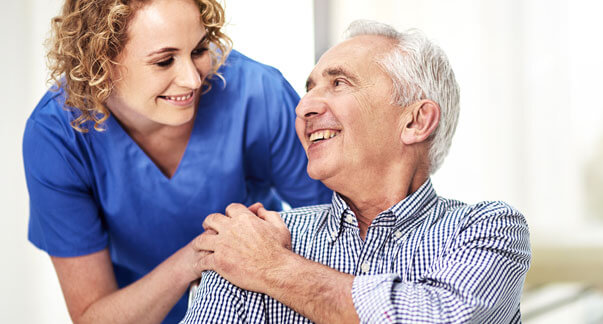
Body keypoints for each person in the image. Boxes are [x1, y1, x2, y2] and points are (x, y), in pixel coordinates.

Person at [183, 20, 531, 323]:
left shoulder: (488, 231)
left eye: (339, 83)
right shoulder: (254, 236)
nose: (303, 106)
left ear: (415, 121)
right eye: (309, 89)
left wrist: (273, 268)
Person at [22, 0, 331, 323]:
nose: (193, 80)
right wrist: (195, 259)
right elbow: (92, 315)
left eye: (199, 50)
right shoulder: (57, 137)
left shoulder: (257, 94)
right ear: (100, 61)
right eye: (165, 61)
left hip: (257, 305)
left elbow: (339, 231)